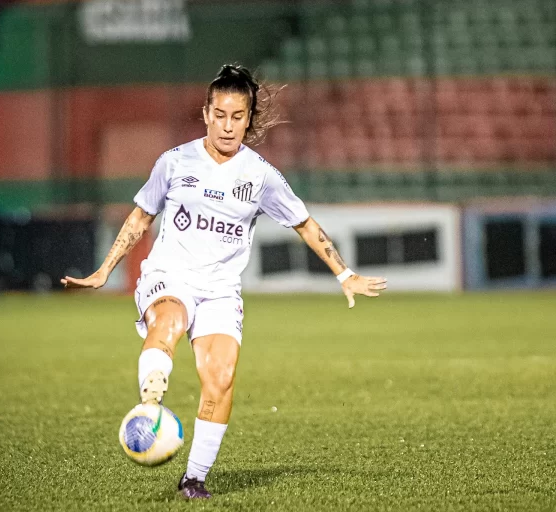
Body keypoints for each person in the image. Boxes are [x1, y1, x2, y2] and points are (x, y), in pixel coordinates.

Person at [61, 64, 387, 499]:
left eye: (238, 116)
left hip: (219, 288)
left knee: (222, 376)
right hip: (169, 274)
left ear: (249, 118)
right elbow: (141, 216)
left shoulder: (261, 176)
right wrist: (105, 269)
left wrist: (344, 274)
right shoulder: (174, 162)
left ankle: (193, 480)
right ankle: (151, 401)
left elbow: (304, 224)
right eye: (220, 115)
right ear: (206, 113)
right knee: (169, 322)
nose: (228, 125)